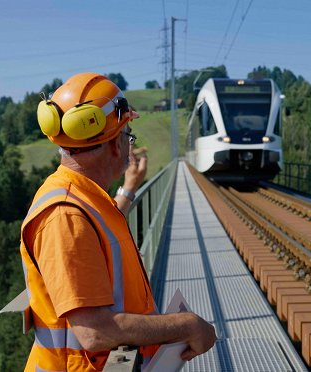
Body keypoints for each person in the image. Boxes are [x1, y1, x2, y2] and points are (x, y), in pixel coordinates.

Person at [20, 72, 216, 371]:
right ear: (114, 145)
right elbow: (94, 332)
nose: (129, 145)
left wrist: (129, 188)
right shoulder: (65, 215)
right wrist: (186, 325)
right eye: (128, 135)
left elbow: (98, 241)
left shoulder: (85, 199)